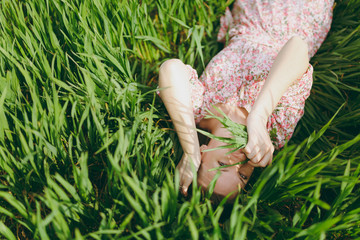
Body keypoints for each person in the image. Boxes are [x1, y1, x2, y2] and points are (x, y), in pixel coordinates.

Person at [158, 0, 334, 200]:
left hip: (250, 12)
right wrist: (258, 117)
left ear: (203, 152)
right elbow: (297, 47)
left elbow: (170, 69)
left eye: (223, 165)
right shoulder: (274, 129)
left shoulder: (200, 110)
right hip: (299, 15)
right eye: (243, 176)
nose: (238, 161)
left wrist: (189, 151)